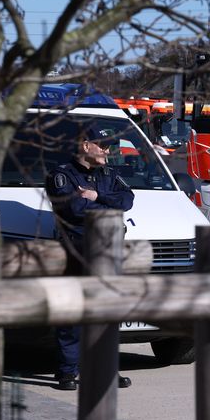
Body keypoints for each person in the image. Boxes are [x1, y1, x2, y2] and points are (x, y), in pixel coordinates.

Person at [46, 124, 135, 390]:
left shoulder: (107, 174)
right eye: (103, 146)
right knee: (73, 315)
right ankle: (67, 373)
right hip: (76, 251)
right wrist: (106, 205)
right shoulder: (61, 175)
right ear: (86, 146)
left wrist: (98, 195)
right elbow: (75, 208)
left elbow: (127, 200)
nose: (108, 151)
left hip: (107, 252)